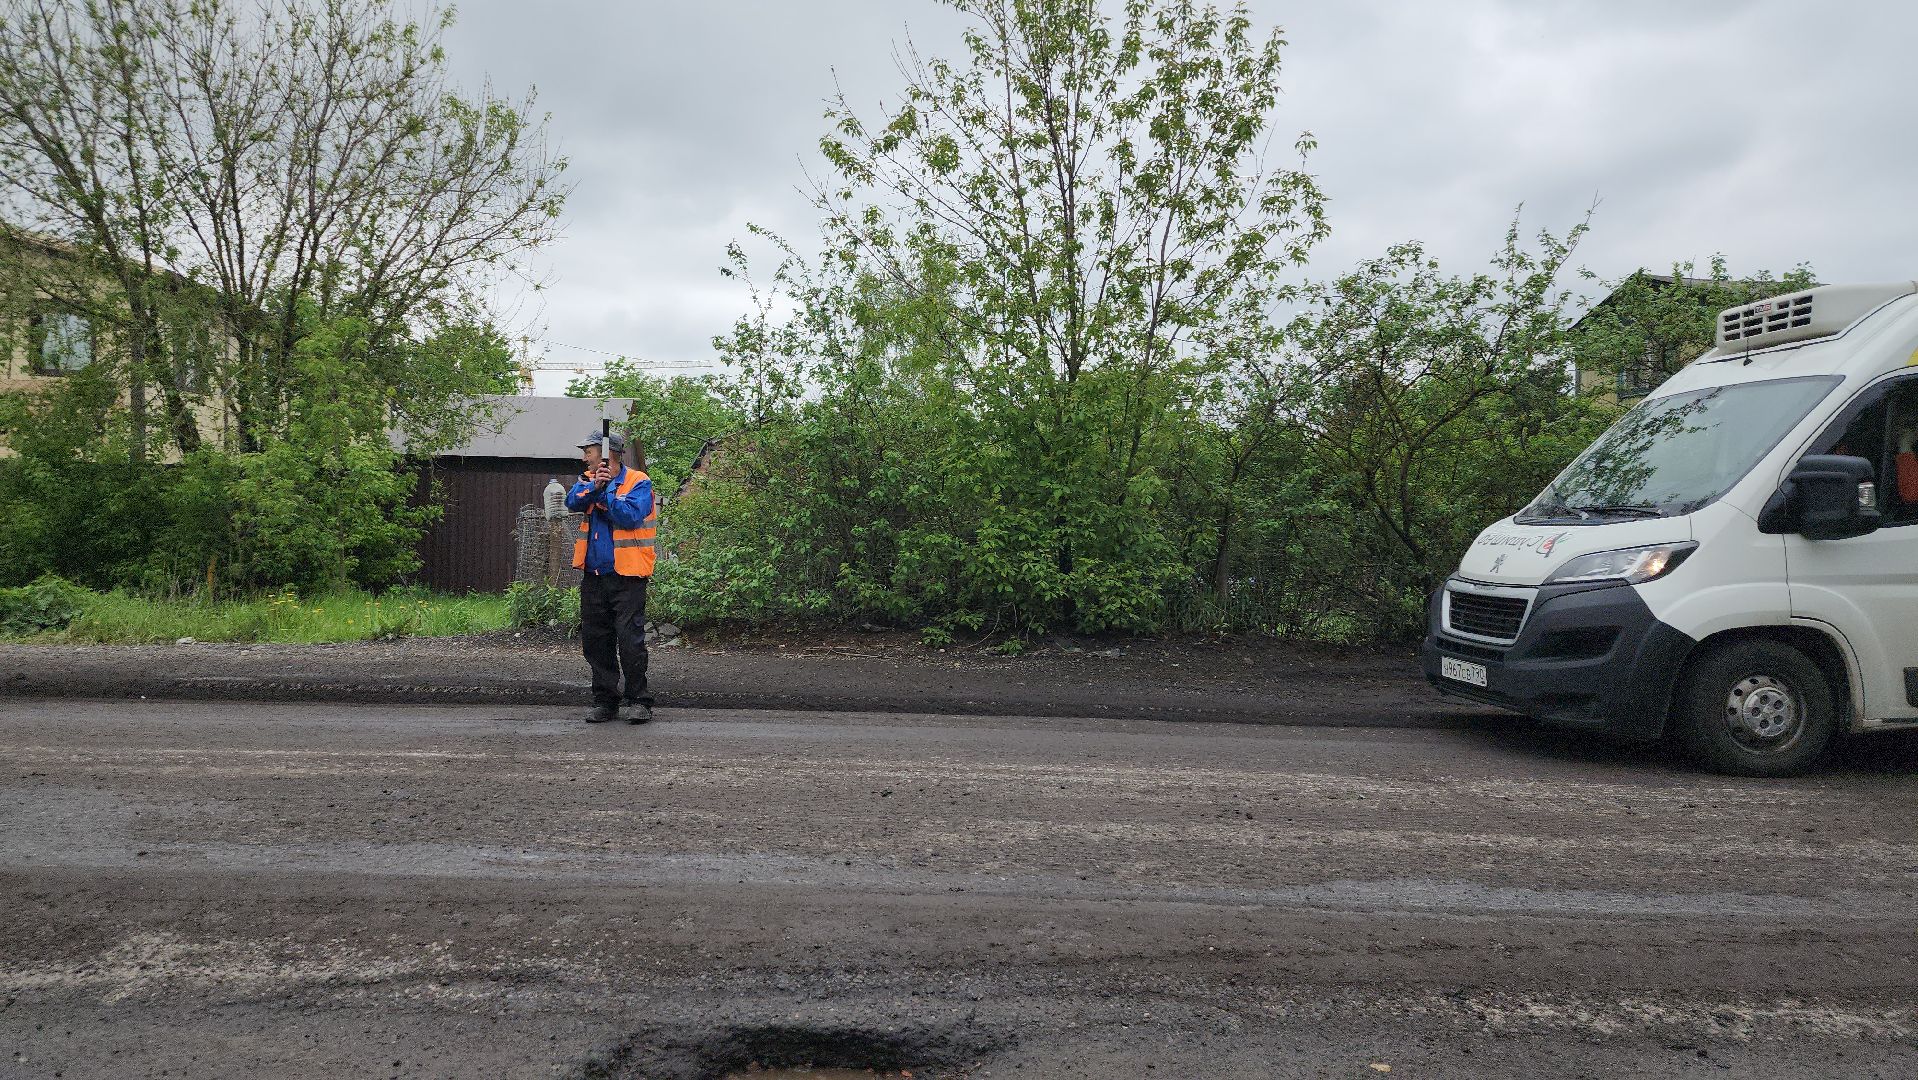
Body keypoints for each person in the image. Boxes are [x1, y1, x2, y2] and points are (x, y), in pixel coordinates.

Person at [565, 429, 658, 724]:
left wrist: (605, 494)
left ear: (609, 455)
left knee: (630, 640)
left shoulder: (638, 482)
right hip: (594, 576)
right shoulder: (588, 480)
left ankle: (639, 700)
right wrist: (596, 487)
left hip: (628, 577)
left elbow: (629, 516)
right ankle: (605, 701)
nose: (585, 458)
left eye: (589, 452)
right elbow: (572, 501)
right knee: (596, 641)